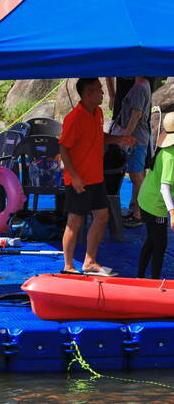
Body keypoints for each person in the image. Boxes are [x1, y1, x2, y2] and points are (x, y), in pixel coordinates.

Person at [59, 78, 136, 276]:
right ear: (87, 94)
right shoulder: (74, 118)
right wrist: (74, 177)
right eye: (98, 90)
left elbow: (98, 136)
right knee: (74, 222)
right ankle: (68, 266)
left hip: (95, 178)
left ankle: (90, 262)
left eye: (102, 90)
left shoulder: (98, 112)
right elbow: (64, 148)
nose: (103, 93)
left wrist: (120, 139)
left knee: (102, 217)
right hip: (79, 180)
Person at [108, 77, 152, 228]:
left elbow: (136, 114)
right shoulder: (139, 85)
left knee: (136, 175)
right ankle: (138, 210)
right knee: (135, 174)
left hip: (136, 139)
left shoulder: (140, 87)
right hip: (134, 138)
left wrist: (124, 137)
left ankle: (140, 213)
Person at [137, 112, 174, 278]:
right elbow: (165, 188)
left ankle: (140, 276)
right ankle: (154, 283)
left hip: (146, 199)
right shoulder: (171, 155)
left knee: (152, 241)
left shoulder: (165, 148)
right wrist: (172, 213)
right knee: (160, 245)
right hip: (155, 205)